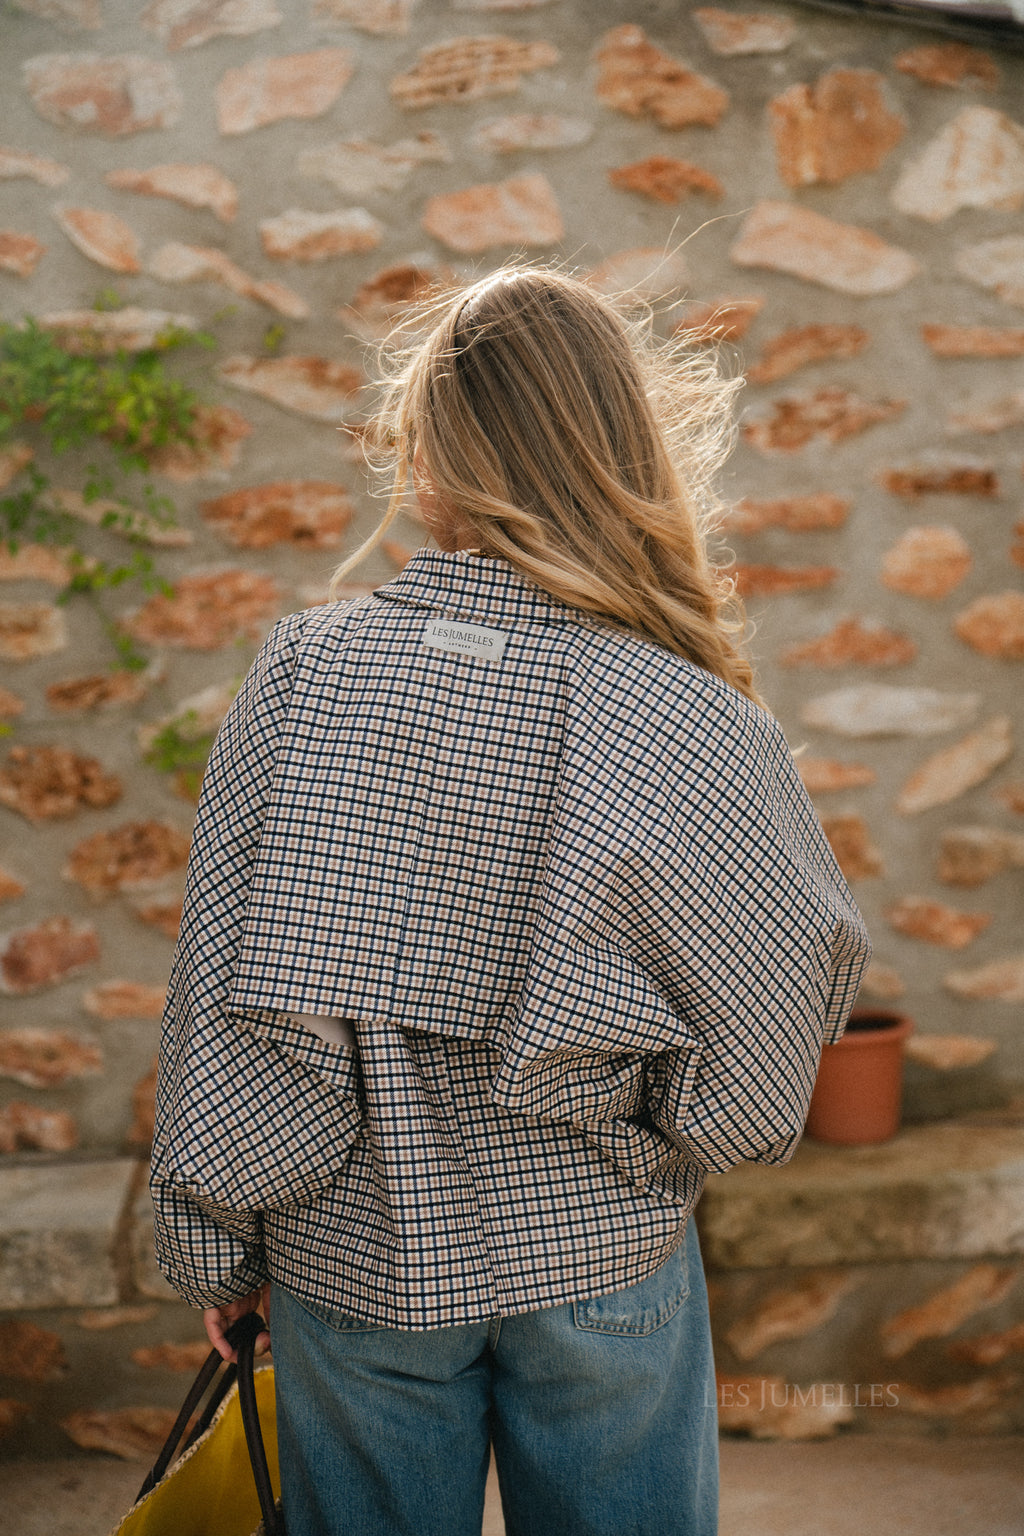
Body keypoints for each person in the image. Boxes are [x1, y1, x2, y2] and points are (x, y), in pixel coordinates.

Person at [150, 266, 871, 1536]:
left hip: (351, 1254)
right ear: (619, 447)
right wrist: (664, 1142)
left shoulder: (300, 675)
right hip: (601, 1249)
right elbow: (776, 1017)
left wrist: (221, 1244)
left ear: (430, 453)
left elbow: (221, 995)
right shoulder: (689, 712)